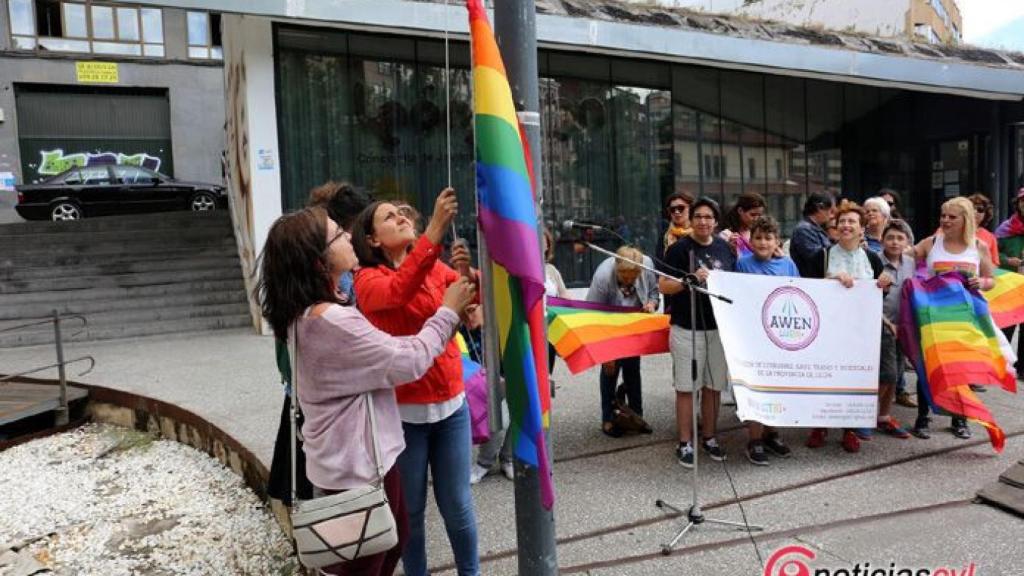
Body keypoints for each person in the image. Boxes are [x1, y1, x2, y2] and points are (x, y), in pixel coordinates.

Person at [256, 206, 476, 576]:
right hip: (357, 467)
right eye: (336, 234)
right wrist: (447, 310)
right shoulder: (340, 315)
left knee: (398, 535)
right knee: (370, 556)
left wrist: (462, 284)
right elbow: (405, 358)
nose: (346, 234)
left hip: (368, 454)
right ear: (318, 261)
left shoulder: (308, 313)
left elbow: (456, 287)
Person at [351, 189, 481, 576]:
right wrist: (436, 227)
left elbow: (463, 298)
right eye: (390, 217)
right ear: (372, 240)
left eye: (404, 213)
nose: (402, 218)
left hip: (451, 405)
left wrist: (466, 277)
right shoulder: (367, 280)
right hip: (404, 416)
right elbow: (397, 292)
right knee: (411, 512)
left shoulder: (430, 265)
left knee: (458, 505)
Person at [267, 181, 372, 508]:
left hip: (301, 390)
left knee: (305, 468)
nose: (350, 237)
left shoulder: (302, 281)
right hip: (322, 398)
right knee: (327, 483)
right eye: (342, 232)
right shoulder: (326, 292)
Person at [805, 200, 892, 453]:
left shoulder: (873, 259)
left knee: (854, 378)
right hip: (828, 329)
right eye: (842, 221)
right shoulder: (821, 256)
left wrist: (883, 285)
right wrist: (831, 280)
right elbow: (807, 290)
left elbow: (877, 298)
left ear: (862, 229)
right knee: (825, 378)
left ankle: (849, 429)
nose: (845, 225)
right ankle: (820, 425)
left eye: (852, 221)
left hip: (859, 331)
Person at [910, 196, 997, 440]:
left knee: (962, 369)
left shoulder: (978, 246)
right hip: (932, 318)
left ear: (965, 220)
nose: (945, 220)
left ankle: (960, 420)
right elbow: (903, 255)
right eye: (943, 215)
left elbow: (991, 281)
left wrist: (982, 282)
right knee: (927, 368)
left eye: (952, 217)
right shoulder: (932, 242)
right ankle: (923, 418)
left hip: (964, 319)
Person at [658, 197, 735, 468]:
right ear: (692, 220)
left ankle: (710, 437)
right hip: (686, 327)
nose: (703, 221)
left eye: (708, 217)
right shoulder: (679, 249)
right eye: (698, 216)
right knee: (686, 387)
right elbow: (663, 286)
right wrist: (688, 281)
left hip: (718, 328)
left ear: (716, 221)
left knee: (713, 387)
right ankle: (685, 442)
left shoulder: (726, 249)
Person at [733, 216, 795, 465]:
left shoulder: (788, 264)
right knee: (756, 386)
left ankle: (772, 433)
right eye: (757, 237)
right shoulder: (742, 264)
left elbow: (797, 293)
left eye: (768, 238)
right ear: (750, 240)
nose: (762, 242)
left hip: (779, 336)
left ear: (777, 241)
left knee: (777, 386)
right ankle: (754, 439)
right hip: (753, 336)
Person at [587, 245, 659, 437]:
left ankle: (636, 415)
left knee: (632, 369)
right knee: (610, 371)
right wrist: (605, 354)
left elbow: (654, 293)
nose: (630, 280)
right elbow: (593, 315)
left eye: (634, 276)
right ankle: (608, 418)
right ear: (617, 269)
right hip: (607, 323)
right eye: (625, 277)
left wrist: (652, 304)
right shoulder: (603, 276)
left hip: (633, 323)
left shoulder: (647, 265)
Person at [878, 220, 915, 440]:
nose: (894, 242)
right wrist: (886, 322)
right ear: (882, 240)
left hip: (904, 328)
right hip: (882, 325)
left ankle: (884, 416)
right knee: (887, 374)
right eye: (890, 237)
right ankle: (865, 416)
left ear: (907, 243)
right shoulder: (875, 261)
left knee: (896, 374)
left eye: (900, 238)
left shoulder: (911, 263)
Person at [996, 187, 1024, 380]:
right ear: (1018, 204)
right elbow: (992, 252)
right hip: (1008, 284)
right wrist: (1008, 260)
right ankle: (999, 366)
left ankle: (1022, 368)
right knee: (1006, 325)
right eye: (1023, 201)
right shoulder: (1006, 228)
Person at [789, 192, 835, 278]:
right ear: (820, 208)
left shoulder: (816, 229)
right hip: (809, 284)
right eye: (831, 211)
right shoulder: (804, 230)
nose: (832, 216)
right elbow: (818, 260)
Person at [720, 192, 767, 258]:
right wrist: (729, 248)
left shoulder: (762, 235)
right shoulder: (727, 235)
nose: (756, 219)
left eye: (759, 215)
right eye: (753, 215)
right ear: (740, 211)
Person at [660, 191, 694, 262]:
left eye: (681, 208)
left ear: (690, 208)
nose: (677, 212)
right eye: (672, 209)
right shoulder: (664, 235)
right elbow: (660, 264)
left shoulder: (699, 232)